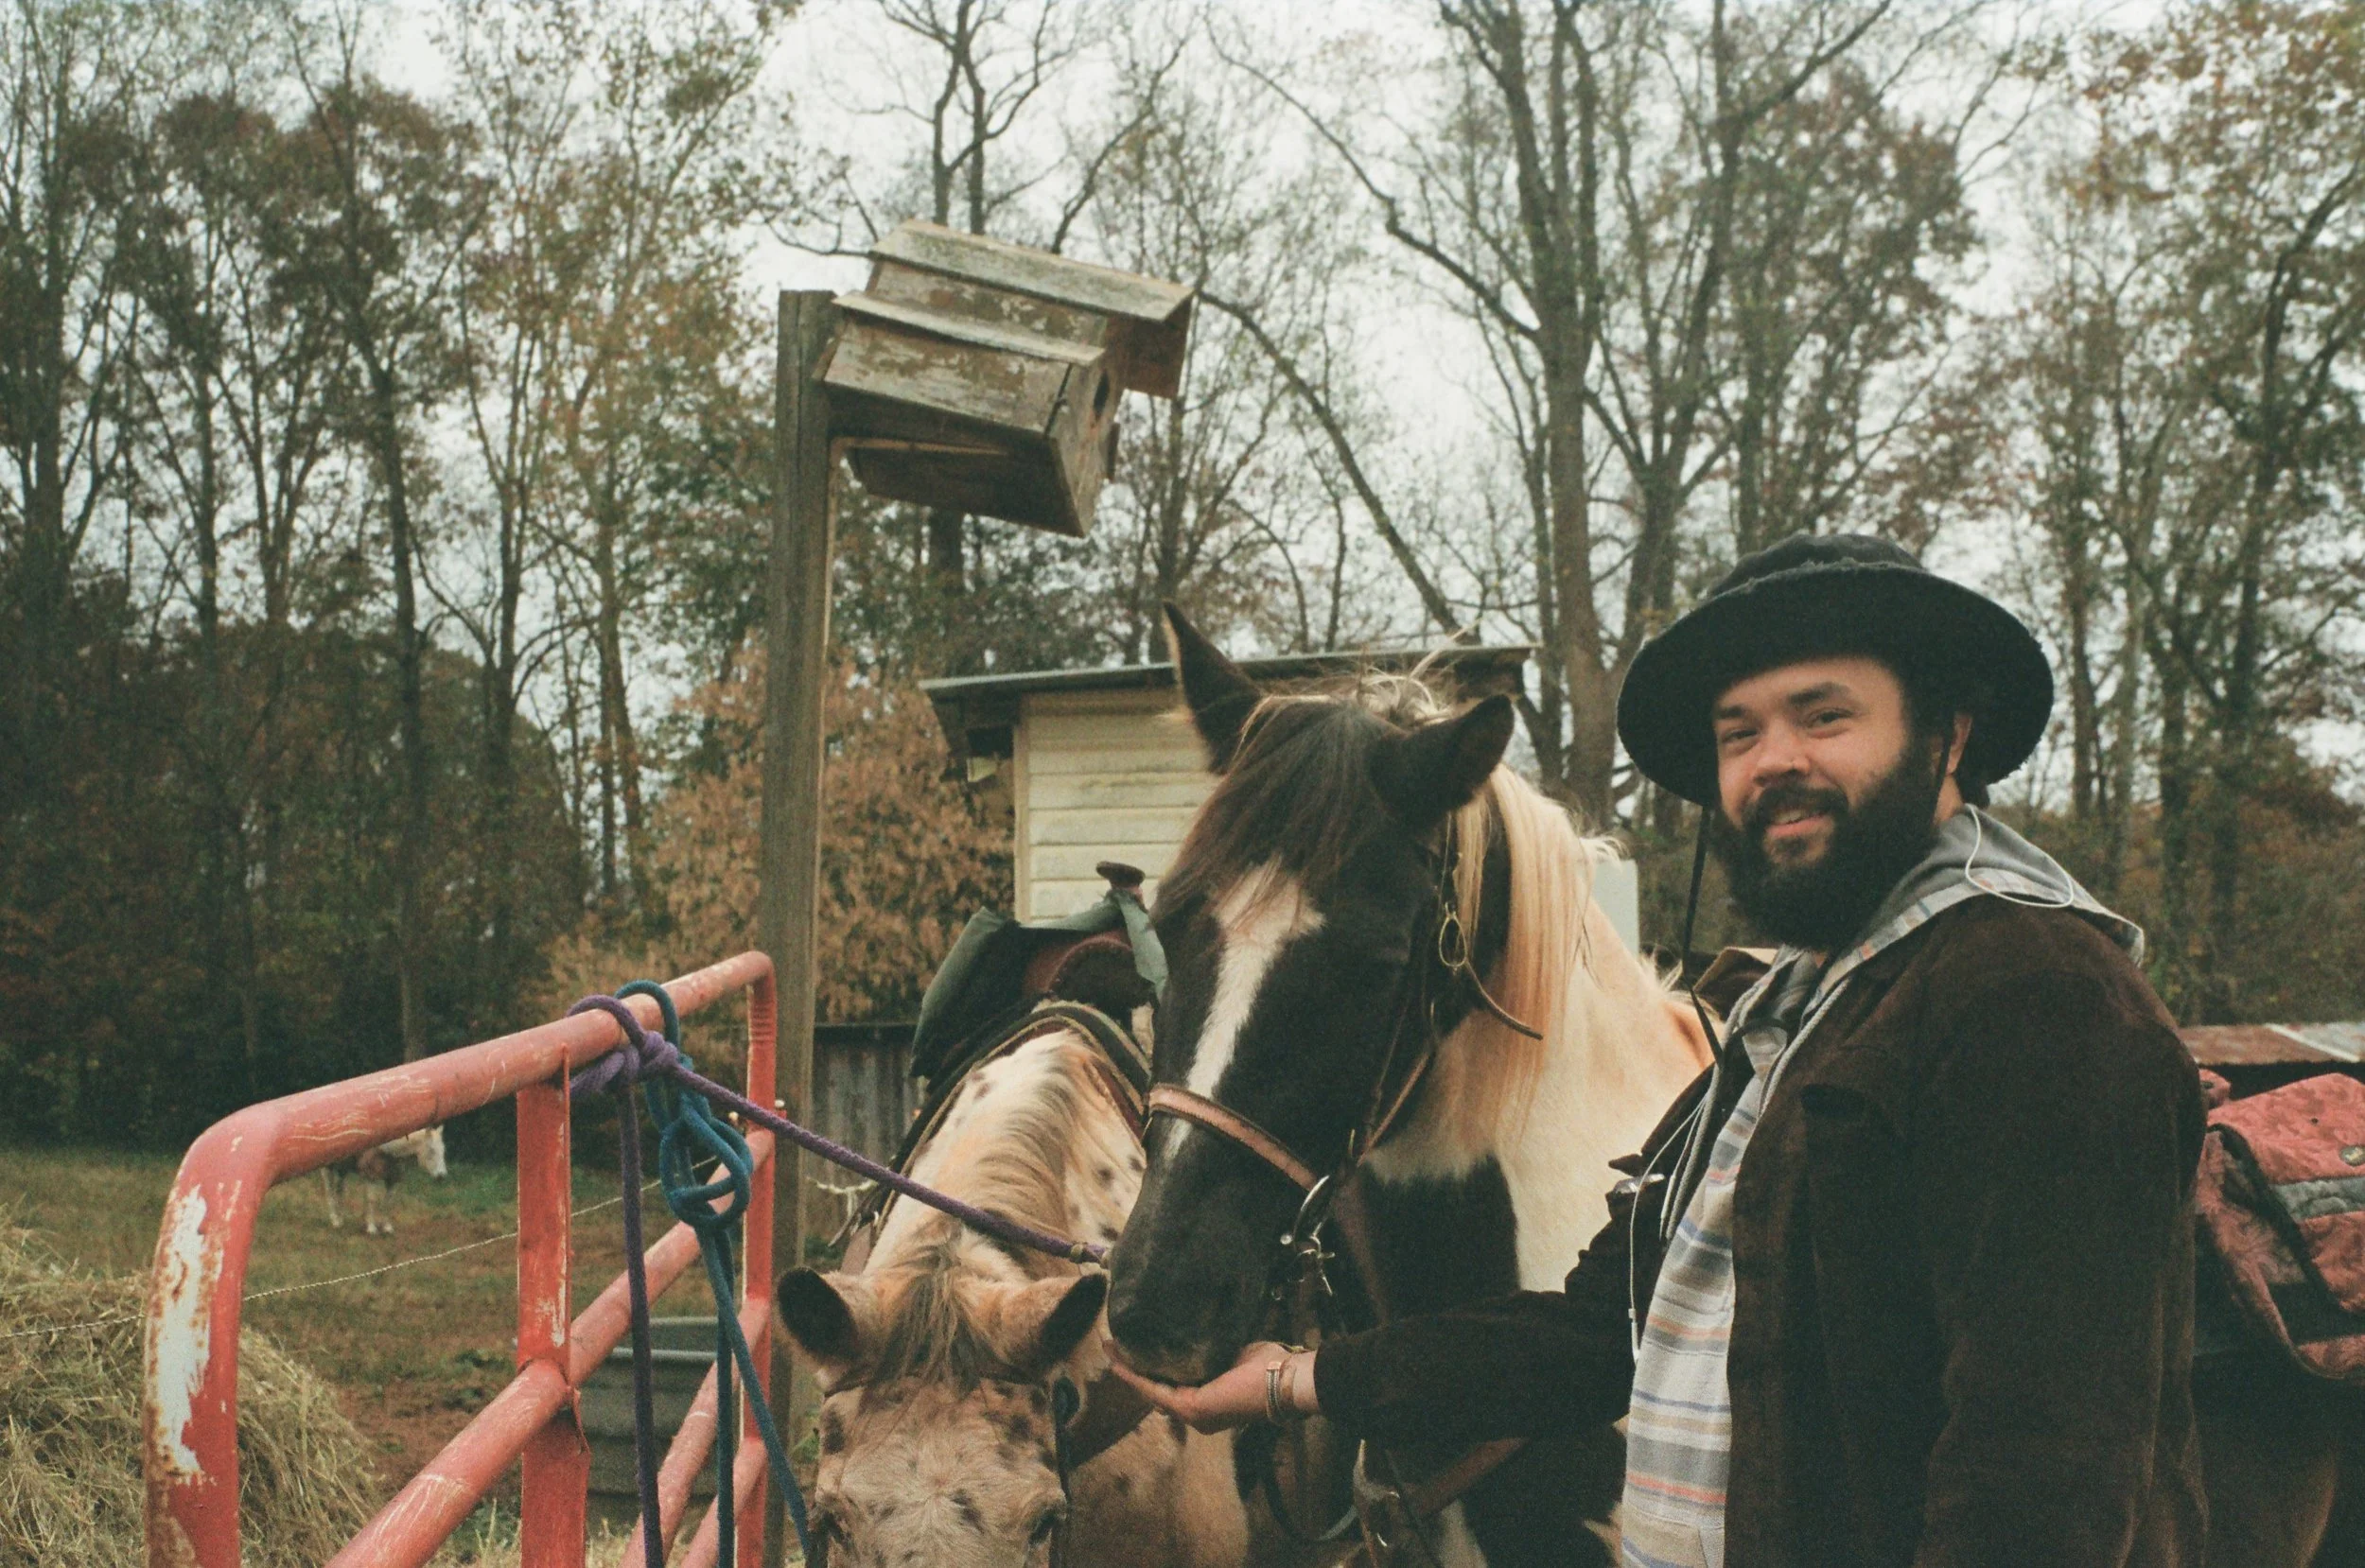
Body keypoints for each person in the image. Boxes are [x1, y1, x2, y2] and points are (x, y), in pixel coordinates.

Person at [1109, 533, 2207, 1567]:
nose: (1775, 760)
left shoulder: (2036, 993)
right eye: (1740, 733)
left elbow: (2043, 1477)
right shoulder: (1792, 1018)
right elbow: (1598, 1332)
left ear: (1948, 733)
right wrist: (1301, 1382)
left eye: (1823, 715)